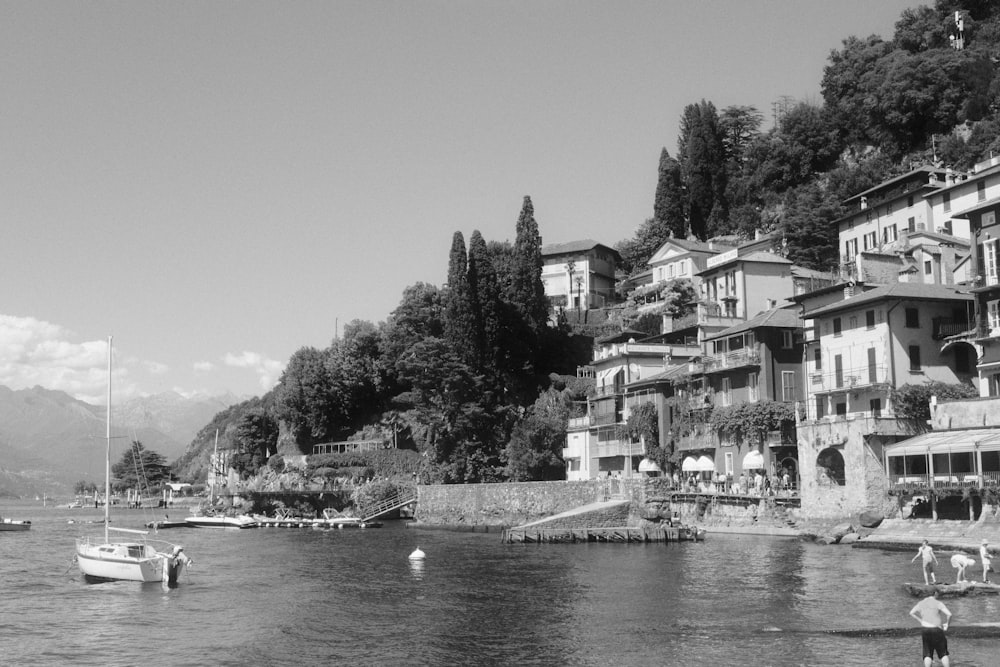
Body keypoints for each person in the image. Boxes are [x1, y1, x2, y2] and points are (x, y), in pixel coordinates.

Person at [909, 591, 952, 667]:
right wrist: (947, 624)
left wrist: (920, 620)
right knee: (943, 652)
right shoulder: (938, 603)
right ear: (935, 593)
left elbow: (911, 612)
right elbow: (949, 614)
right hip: (937, 629)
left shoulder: (921, 603)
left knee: (927, 653)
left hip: (925, 629)